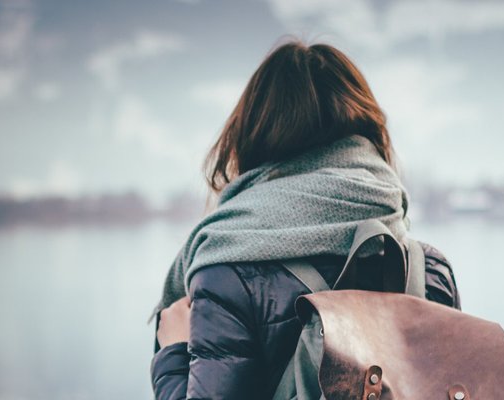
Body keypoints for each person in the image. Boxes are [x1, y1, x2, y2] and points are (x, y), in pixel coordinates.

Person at [149, 39, 461, 399]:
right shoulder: (428, 272)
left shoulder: (227, 274)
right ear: (368, 138)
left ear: (254, 137)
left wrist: (174, 352)